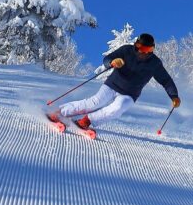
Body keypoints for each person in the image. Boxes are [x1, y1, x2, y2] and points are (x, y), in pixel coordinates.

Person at [48, 33, 180, 139]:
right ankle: (60, 112)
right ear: (136, 46)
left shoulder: (154, 63)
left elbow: (166, 80)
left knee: (117, 109)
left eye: (149, 50)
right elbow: (107, 59)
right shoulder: (126, 50)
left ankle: (86, 121)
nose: (144, 53)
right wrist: (113, 62)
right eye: (142, 49)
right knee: (94, 103)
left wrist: (174, 96)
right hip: (113, 84)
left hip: (130, 94)